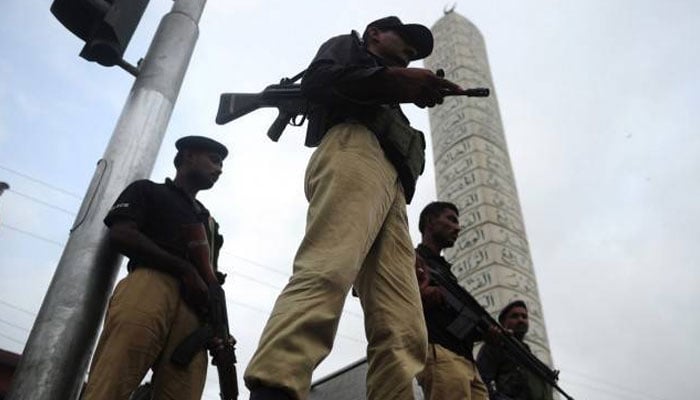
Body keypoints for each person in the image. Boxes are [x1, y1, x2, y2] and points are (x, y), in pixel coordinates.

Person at [244, 16, 462, 400]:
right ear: (375, 33)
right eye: (406, 43)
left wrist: (403, 87)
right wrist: (396, 82)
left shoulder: (386, 89)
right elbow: (320, 82)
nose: (411, 54)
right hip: (355, 151)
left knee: (405, 325)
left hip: (391, 191)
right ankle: (276, 386)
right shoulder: (349, 49)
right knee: (328, 270)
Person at [82, 136, 229, 400]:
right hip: (150, 285)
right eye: (214, 160)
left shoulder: (210, 222)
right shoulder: (148, 191)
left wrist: (217, 330)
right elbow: (121, 234)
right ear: (188, 155)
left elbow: (211, 278)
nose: (219, 169)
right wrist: (183, 268)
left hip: (195, 313)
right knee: (111, 382)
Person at [414, 201, 489, 400]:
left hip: (467, 360)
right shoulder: (414, 259)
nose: (457, 227)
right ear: (430, 221)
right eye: (451, 219)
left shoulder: (445, 272)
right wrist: (430, 294)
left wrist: (486, 332)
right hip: (441, 353)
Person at [476, 301, 554, 400]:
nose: (521, 320)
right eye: (514, 316)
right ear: (503, 323)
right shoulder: (495, 346)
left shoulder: (527, 353)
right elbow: (482, 382)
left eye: (524, 317)